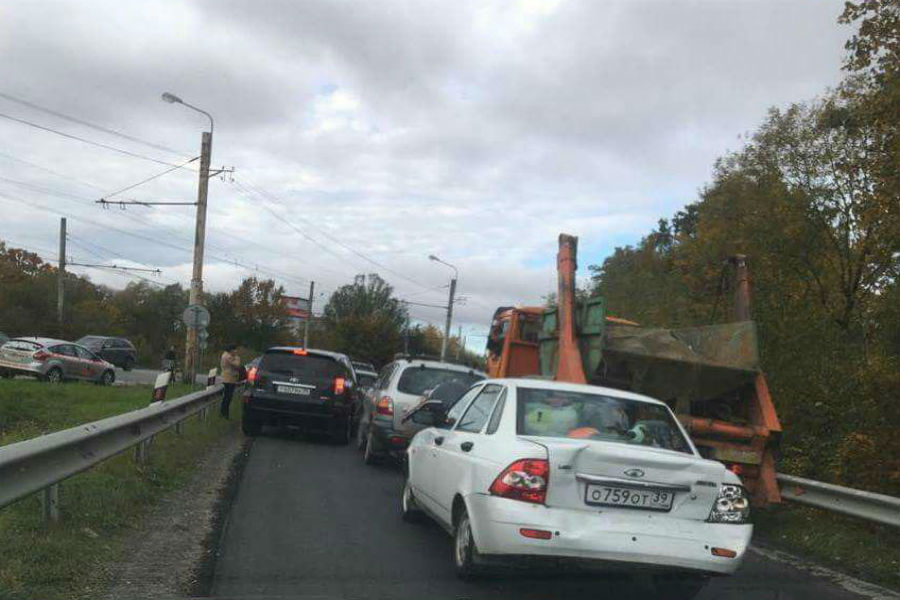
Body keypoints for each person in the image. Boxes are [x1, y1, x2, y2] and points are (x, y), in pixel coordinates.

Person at [220, 343, 242, 419]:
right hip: (229, 379)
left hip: (228, 378)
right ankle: (224, 413)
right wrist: (237, 358)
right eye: (235, 349)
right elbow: (237, 365)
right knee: (228, 397)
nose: (236, 351)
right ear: (231, 350)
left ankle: (224, 413)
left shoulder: (225, 355)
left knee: (227, 397)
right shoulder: (228, 356)